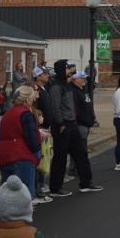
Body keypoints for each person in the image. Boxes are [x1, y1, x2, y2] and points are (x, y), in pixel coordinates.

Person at [49, 59, 102, 195]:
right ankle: (55, 188)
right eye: (68, 69)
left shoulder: (66, 85)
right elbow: (55, 108)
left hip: (72, 124)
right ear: (61, 70)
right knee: (60, 158)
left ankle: (86, 183)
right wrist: (60, 123)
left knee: (81, 154)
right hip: (63, 125)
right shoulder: (56, 87)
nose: (70, 71)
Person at [0, 86, 41, 199]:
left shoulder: (8, 113)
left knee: (8, 194)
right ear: (27, 99)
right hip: (21, 156)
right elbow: (31, 139)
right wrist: (38, 151)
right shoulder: (25, 114)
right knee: (23, 196)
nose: (34, 100)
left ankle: (6, 215)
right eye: (32, 98)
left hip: (5, 156)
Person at [71, 71, 97, 180]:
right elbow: (75, 110)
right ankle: (75, 169)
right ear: (76, 79)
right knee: (80, 148)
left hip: (86, 123)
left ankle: (76, 168)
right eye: (82, 78)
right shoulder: (74, 92)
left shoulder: (84, 90)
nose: (84, 80)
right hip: (80, 124)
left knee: (82, 148)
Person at [32, 66, 53, 199]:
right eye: (45, 74)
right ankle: (38, 188)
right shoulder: (35, 90)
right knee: (39, 160)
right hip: (40, 128)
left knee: (45, 157)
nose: (47, 76)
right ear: (38, 76)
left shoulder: (44, 90)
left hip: (47, 128)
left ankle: (41, 184)